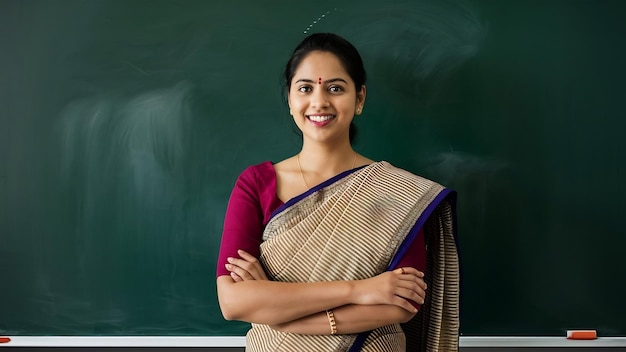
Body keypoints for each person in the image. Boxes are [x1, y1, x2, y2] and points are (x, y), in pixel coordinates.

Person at [216, 33, 459, 351]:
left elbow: (401, 303)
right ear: (290, 99)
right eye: (305, 88)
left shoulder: (400, 192)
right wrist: (359, 291)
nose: (319, 102)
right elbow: (233, 302)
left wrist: (278, 314)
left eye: (335, 88)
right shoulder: (256, 184)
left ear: (359, 99)